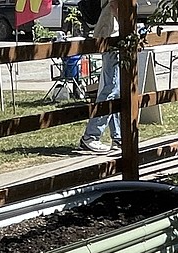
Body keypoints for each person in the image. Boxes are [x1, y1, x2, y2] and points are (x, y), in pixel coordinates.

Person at [77, 0, 120, 155]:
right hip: (113, 35)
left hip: (107, 33)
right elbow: (116, 5)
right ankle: (91, 136)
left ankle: (119, 137)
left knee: (116, 90)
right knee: (111, 88)